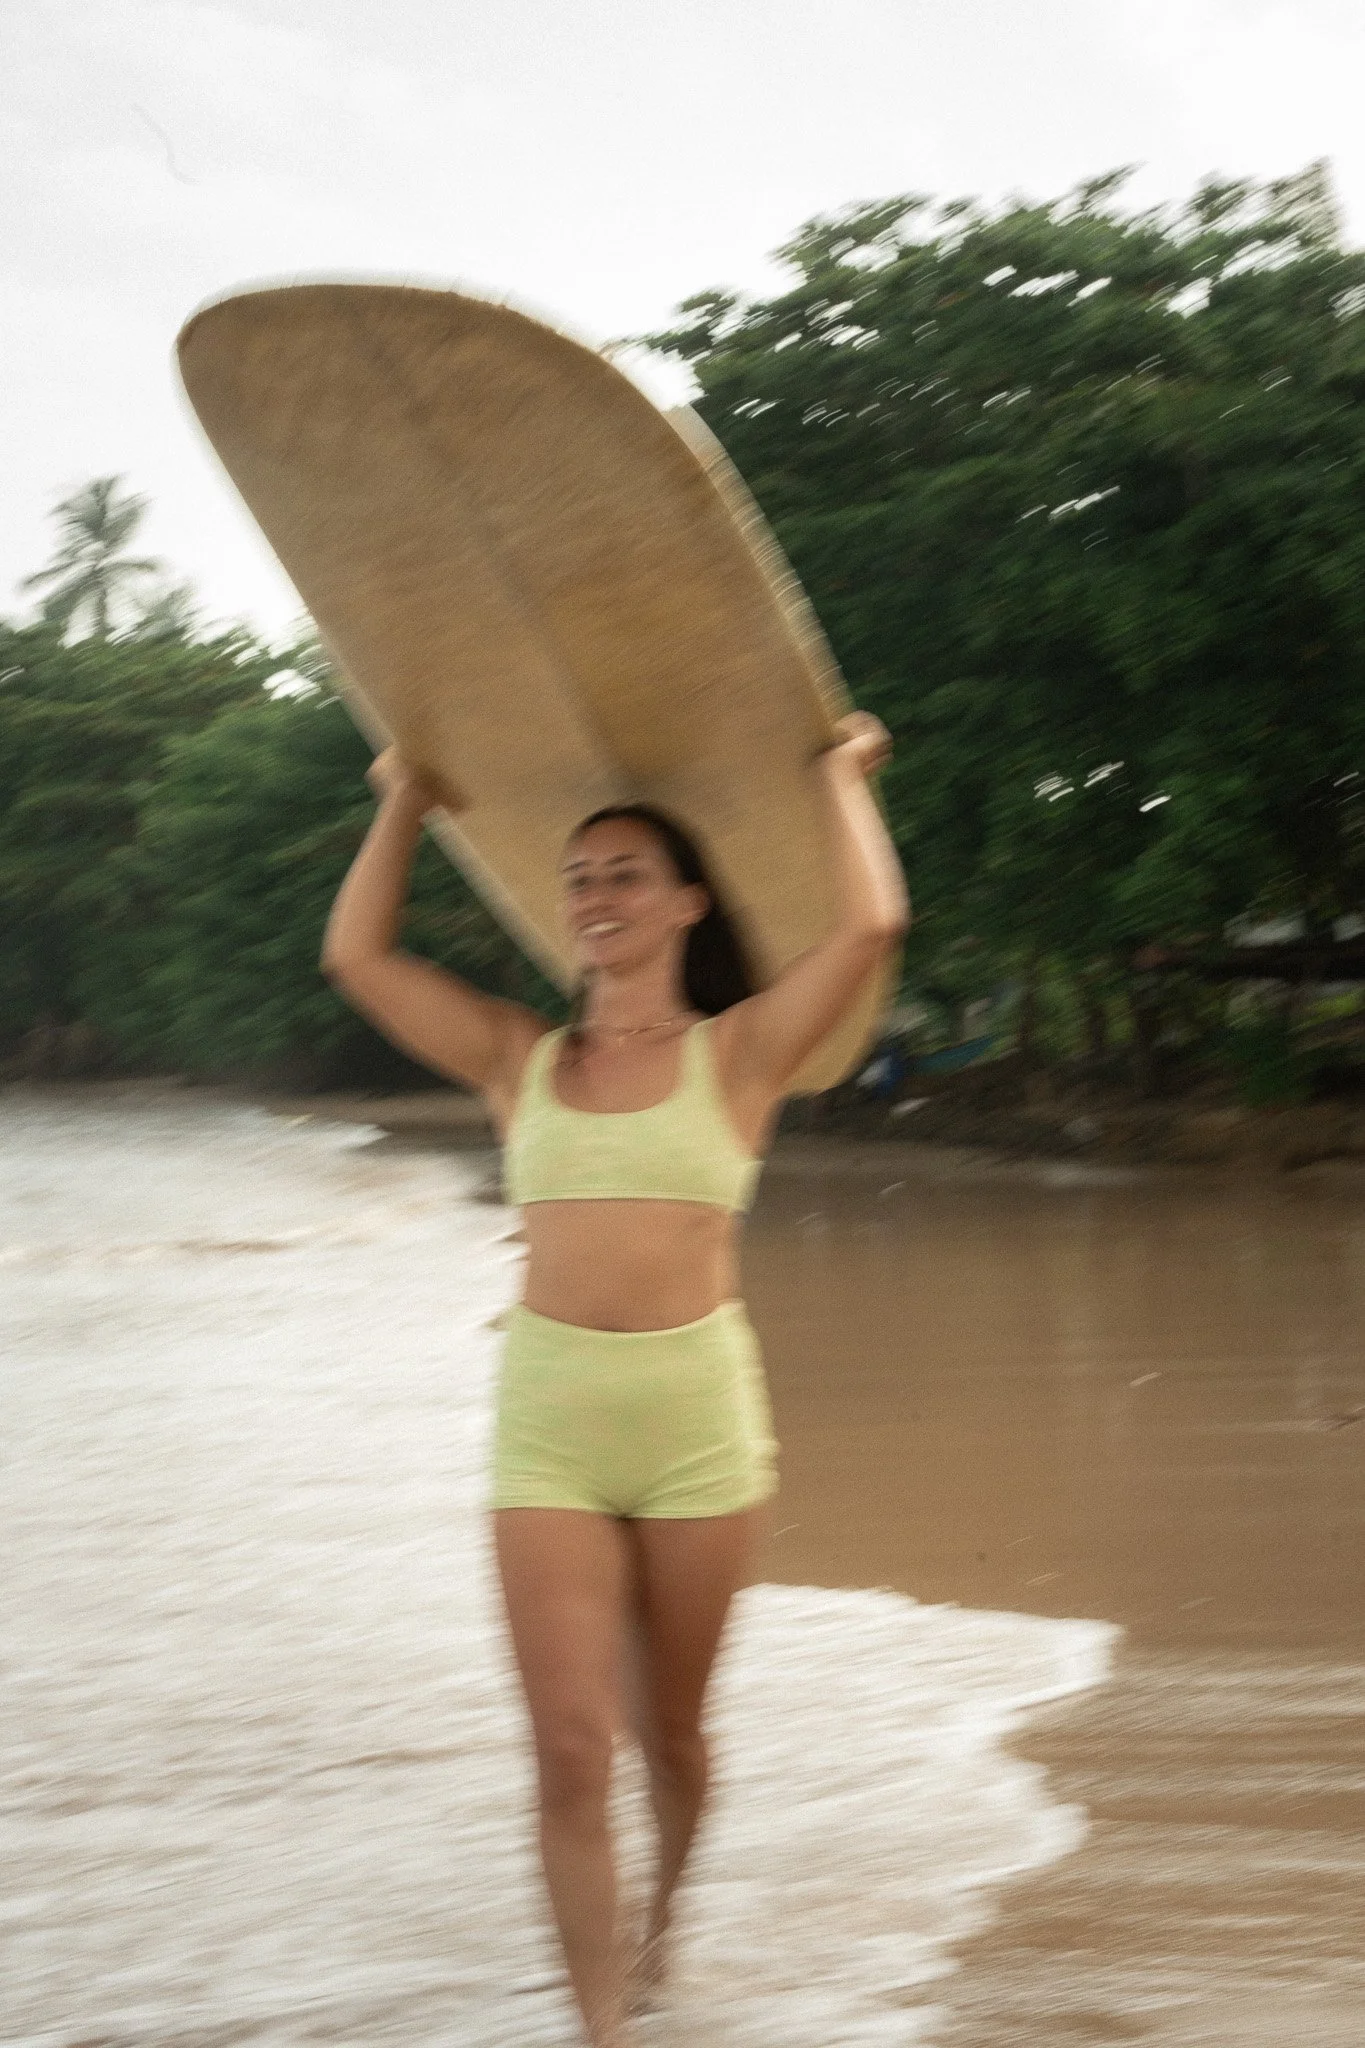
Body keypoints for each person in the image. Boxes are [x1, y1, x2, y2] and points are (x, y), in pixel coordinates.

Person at [320, 711, 908, 2046]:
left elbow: (871, 927)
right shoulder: (514, 1058)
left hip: (698, 1424)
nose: (596, 893)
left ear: (687, 902)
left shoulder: (739, 1055)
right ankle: (601, 2029)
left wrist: (835, 775)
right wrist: (405, 797)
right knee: (572, 1751)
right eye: (579, 876)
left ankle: (665, 1924)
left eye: (627, 873)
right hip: (550, 1428)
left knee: (674, 1740)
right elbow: (356, 956)